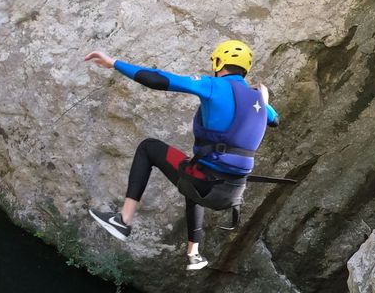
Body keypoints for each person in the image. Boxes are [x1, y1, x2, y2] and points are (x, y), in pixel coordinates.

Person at [84, 39, 277, 271]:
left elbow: (158, 79)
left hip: (204, 184)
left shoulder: (213, 85)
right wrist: (264, 101)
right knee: (193, 169)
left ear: (218, 62)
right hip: (231, 194)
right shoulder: (258, 98)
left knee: (149, 147)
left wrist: (114, 62)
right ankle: (193, 254)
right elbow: (275, 120)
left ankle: (123, 220)